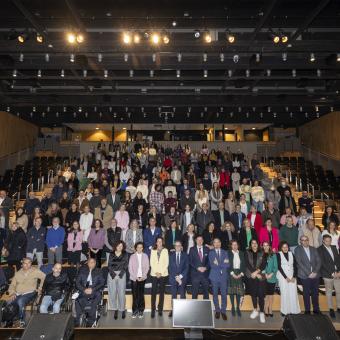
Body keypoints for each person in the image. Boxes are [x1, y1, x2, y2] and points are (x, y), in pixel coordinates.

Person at [7, 257, 45, 327]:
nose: (27, 265)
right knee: (8, 302)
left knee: (20, 301)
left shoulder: (35, 271)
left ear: (31, 264)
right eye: (25, 263)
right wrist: (12, 293)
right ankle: (10, 320)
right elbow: (12, 285)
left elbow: (45, 277)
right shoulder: (18, 273)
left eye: (29, 263)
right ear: (22, 264)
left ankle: (21, 320)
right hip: (18, 293)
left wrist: (40, 288)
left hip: (30, 292)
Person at [294, 235, 321, 314]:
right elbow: (299, 263)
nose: (305, 241)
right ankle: (307, 310)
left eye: (306, 240)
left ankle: (316, 309)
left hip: (316, 275)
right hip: (304, 275)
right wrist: (309, 273)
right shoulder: (297, 249)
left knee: (315, 293)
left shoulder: (313, 249)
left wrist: (315, 272)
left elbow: (319, 261)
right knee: (306, 293)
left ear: (308, 241)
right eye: (303, 240)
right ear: (300, 241)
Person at [75, 258, 105, 327]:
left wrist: (93, 289)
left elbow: (102, 282)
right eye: (90, 262)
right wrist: (84, 289)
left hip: (95, 290)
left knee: (93, 304)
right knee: (78, 301)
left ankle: (91, 322)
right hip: (84, 290)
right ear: (87, 263)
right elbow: (77, 282)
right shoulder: (82, 270)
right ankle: (78, 320)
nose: (91, 264)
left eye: (93, 262)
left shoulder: (99, 271)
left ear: (95, 263)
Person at [317, 234, 340, 318]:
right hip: (327, 274)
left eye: (329, 241)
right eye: (326, 241)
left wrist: (339, 271)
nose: (328, 242)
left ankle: (339, 307)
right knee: (329, 292)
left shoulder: (334, 247)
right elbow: (322, 263)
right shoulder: (319, 249)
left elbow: (338, 260)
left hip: (337, 274)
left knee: (339, 291)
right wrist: (332, 272)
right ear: (323, 241)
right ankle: (331, 309)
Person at [245, 239, 266, 323]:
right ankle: (255, 310)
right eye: (252, 243)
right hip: (250, 275)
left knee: (261, 294)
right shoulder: (247, 252)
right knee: (253, 294)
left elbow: (263, 264)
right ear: (250, 245)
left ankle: (261, 313)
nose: (254, 244)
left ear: (258, 244)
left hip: (259, 276)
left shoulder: (262, 252)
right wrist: (253, 273)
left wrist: (257, 272)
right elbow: (247, 263)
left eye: (255, 243)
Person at [276, 241, 300, 316]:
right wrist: (286, 277)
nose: (285, 248)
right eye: (283, 247)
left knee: (293, 293)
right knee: (284, 293)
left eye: (286, 247)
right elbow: (279, 267)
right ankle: (284, 311)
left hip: (292, 276)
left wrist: (294, 277)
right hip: (283, 276)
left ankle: (294, 310)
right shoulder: (278, 254)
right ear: (281, 248)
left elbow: (295, 266)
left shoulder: (291, 254)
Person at [209, 237, 230, 320]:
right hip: (214, 276)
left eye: (218, 242)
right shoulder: (211, 253)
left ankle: (223, 311)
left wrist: (218, 264)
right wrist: (222, 264)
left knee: (224, 294)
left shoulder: (225, 252)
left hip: (223, 277)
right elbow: (212, 265)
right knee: (215, 294)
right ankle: (217, 310)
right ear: (213, 244)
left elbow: (227, 264)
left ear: (220, 243)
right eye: (215, 242)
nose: (217, 244)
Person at [107, 240, 129, 319]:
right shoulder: (111, 254)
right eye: (118, 246)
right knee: (112, 292)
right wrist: (113, 275)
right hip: (111, 274)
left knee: (121, 292)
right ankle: (115, 309)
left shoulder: (125, 254)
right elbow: (109, 265)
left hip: (122, 274)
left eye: (121, 246)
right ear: (115, 246)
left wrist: (119, 275)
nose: (120, 247)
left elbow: (126, 265)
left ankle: (122, 309)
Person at [128, 242, 150, 318]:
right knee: (134, 295)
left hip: (142, 278)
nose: (139, 248)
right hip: (134, 278)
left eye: (141, 247)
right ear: (136, 248)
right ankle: (134, 311)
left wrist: (143, 276)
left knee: (141, 295)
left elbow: (147, 267)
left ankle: (141, 311)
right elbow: (130, 268)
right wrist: (135, 277)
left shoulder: (145, 256)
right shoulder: (132, 256)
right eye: (138, 247)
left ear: (142, 248)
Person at [168, 240, 189, 317]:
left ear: (181, 247)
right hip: (173, 277)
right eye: (176, 245)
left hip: (182, 278)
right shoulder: (171, 255)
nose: (177, 247)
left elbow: (187, 267)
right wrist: (176, 277)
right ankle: (173, 310)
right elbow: (169, 268)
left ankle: (182, 311)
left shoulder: (185, 255)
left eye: (179, 245)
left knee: (182, 294)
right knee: (173, 294)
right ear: (174, 247)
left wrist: (180, 277)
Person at [150, 237, 169, 318]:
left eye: (161, 241)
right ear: (156, 243)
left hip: (163, 274)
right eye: (158, 241)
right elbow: (151, 263)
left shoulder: (165, 250)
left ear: (162, 242)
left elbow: (166, 263)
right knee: (153, 292)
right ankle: (153, 310)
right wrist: (156, 272)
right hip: (154, 274)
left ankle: (160, 309)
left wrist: (160, 272)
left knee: (161, 292)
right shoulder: (153, 250)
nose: (159, 243)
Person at [189, 235, 210, 299]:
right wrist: (197, 268)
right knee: (194, 293)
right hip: (195, 274)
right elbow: (190, 261)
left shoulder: (207, 249)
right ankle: (194, 308)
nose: (199, 241)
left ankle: (206, 309)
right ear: (196, 241)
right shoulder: (192, 249)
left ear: (203, 241)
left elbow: (209, 261)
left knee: (206, 293)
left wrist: (206, 268)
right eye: (198, 240)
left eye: (201, 240)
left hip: (205, 274)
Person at [228, 240, 245, 317]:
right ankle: (232, 308)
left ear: (238, 246)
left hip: (239, 273)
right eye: (233, 245)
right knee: (232, 291)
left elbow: (244, 264)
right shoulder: (228, 253)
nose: (234, 246)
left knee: (238, 291)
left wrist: (241, 274)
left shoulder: (241, 253)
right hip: (231, 273)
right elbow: (227, 264)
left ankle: (238, 307)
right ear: (231, 246)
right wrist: (232, 273)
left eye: (236, 245)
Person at [262, 241, 278, 317]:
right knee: (265, 295)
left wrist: (271, 274)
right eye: (264, 245)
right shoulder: (261, 255)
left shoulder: (273, 255)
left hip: (272, 277)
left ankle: (270, 309)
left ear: (269, 246)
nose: (265, 247)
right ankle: (265, 309)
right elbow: (260, 266)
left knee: (271, 295)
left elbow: (276, 266)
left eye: (267, 245)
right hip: (264, 277)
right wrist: (265, 274)